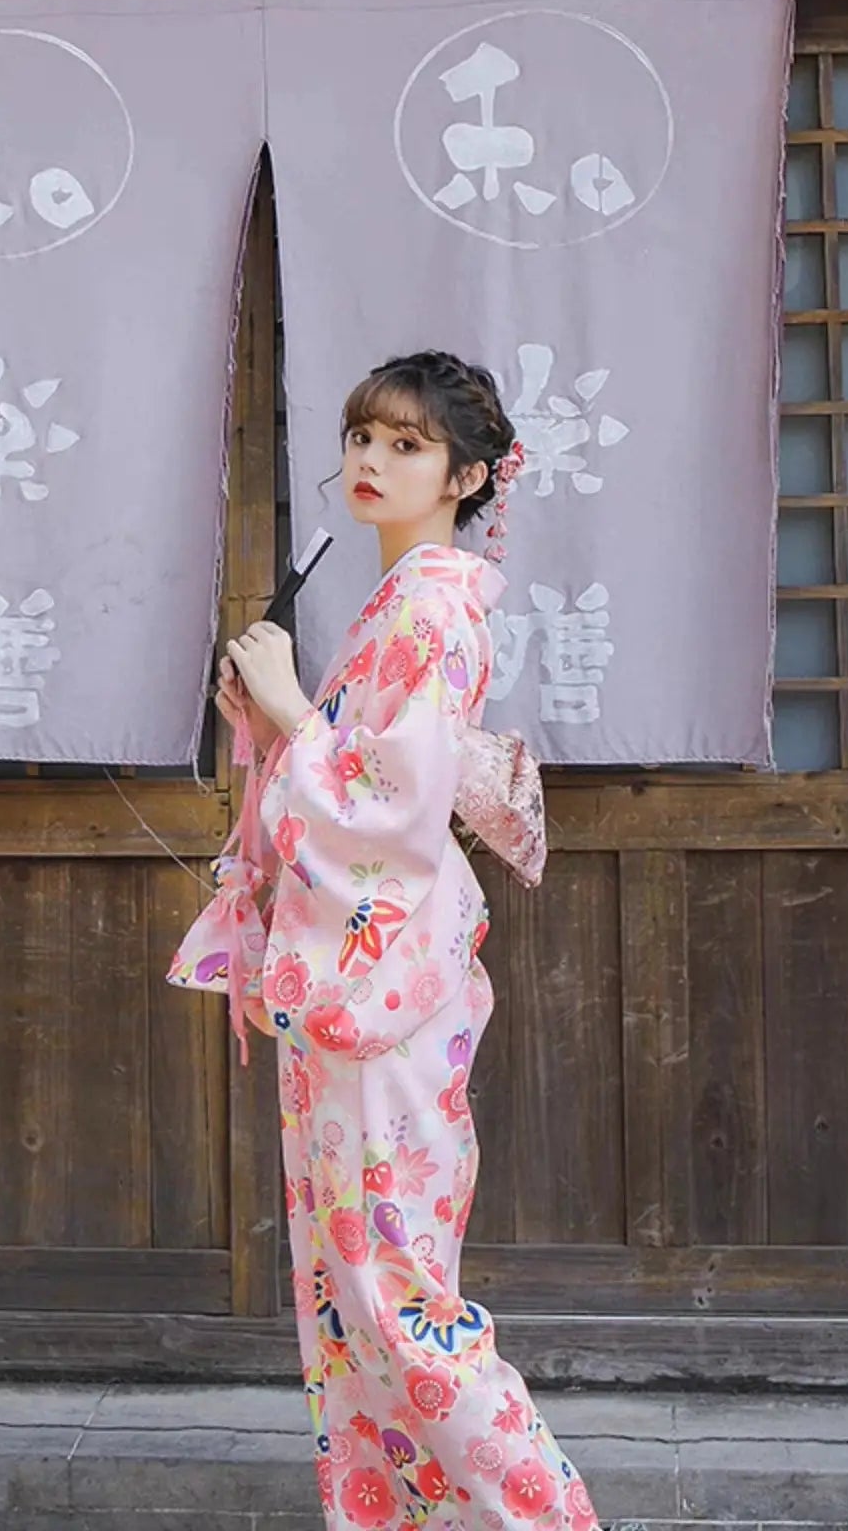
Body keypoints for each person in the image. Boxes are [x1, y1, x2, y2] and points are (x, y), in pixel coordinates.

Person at [170, 351, 599, 1531]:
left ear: (465, 475)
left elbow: (392, 810)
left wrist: (297, 712)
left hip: (382, 988)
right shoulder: (397, 600)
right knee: (350, 1294)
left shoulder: (432, 604)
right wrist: (273, 720)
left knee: (394, 1291)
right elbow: (348, 784)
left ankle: (546, 1520)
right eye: (364, 436)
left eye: (407, 446)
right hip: (357, 982)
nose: (371, 460)